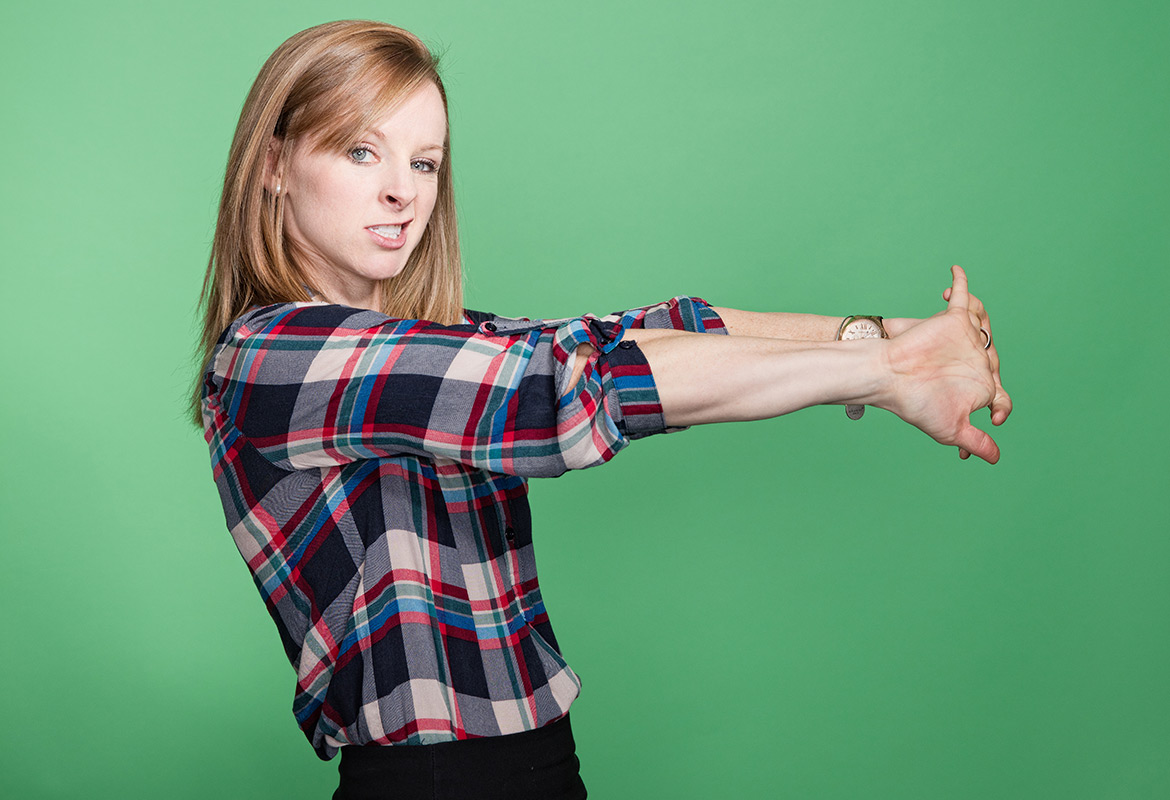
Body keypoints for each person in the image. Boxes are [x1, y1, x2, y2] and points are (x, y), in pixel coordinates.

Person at [193, 19, 1011, 800]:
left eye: (426, 162)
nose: (402, 192)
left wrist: (884, 335)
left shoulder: (438, 343)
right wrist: (886, 371)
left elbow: (640, 333)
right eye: (361, 151)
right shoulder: (271, 357)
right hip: (432, 783)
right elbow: (567, 390)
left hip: (541, 763)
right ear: (275, 164)